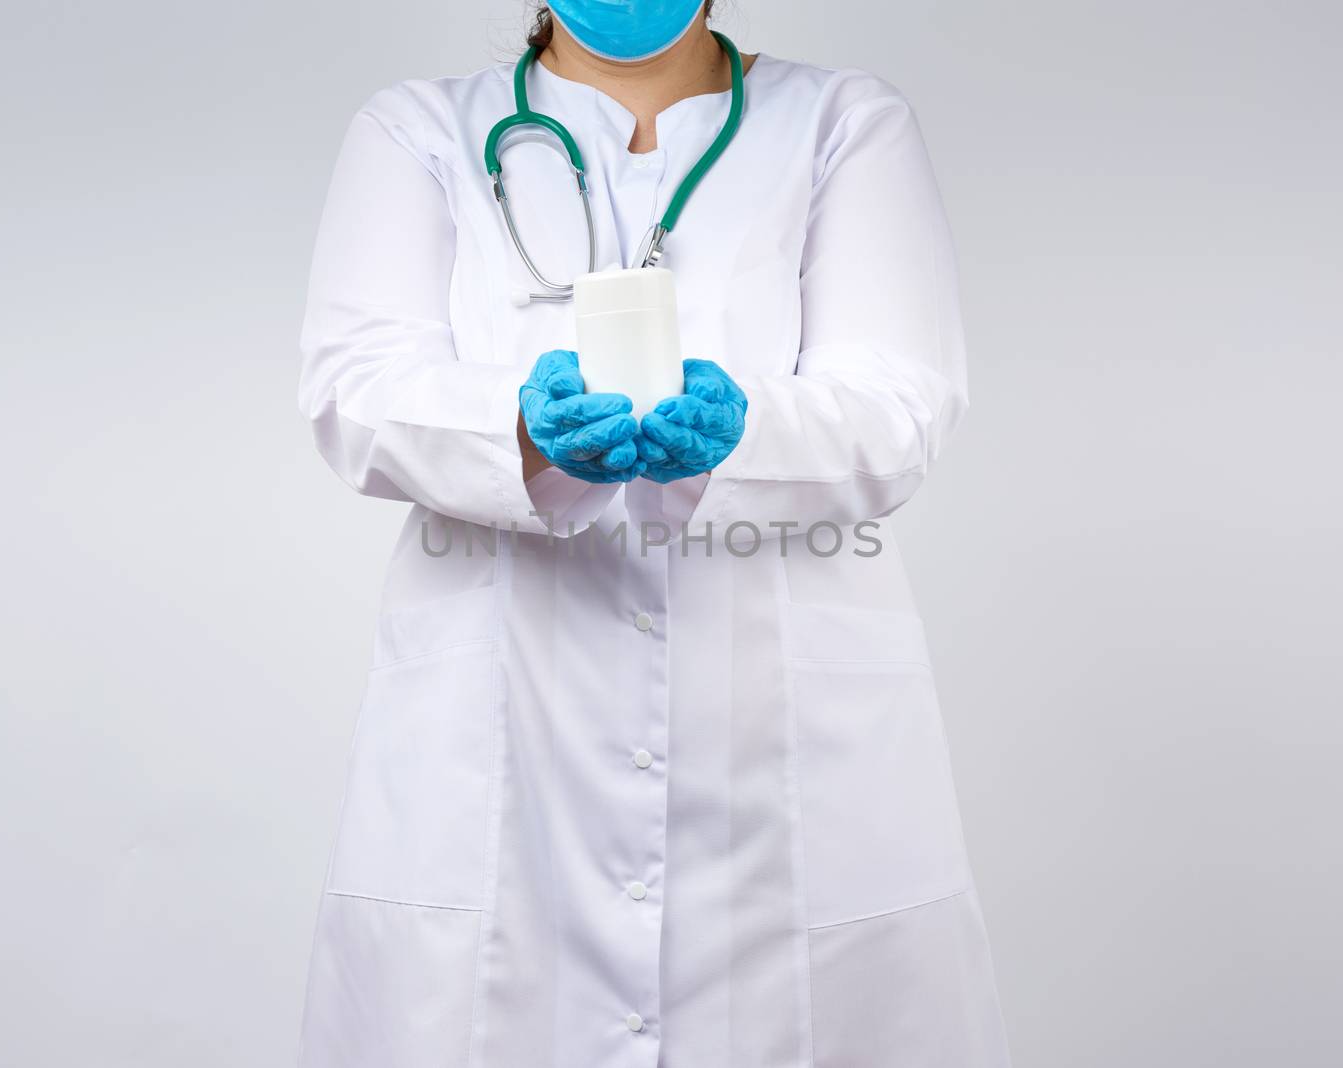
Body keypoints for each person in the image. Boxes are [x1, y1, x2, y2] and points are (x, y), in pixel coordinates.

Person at [294, 2, 1011, 1065]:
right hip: (505, 726)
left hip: (778, 732)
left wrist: (744, 433)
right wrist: (520, 434)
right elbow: (353, 392)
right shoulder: (419, 132)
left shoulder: (841, 124)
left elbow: (899, 402)